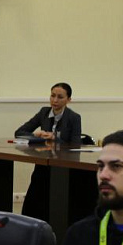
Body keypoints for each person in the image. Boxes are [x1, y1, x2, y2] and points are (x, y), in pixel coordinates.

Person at [16, 82, 85, 221]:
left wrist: (56, 138)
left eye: (60, 97)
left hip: (64, 166)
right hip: (44, 163)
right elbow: (19, 132)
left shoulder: (74, 117)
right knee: (37, 191)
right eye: (52, 96)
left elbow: (75, 144)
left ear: (68, 100)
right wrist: (36, 135)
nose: (55, 100)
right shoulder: (44, 112)